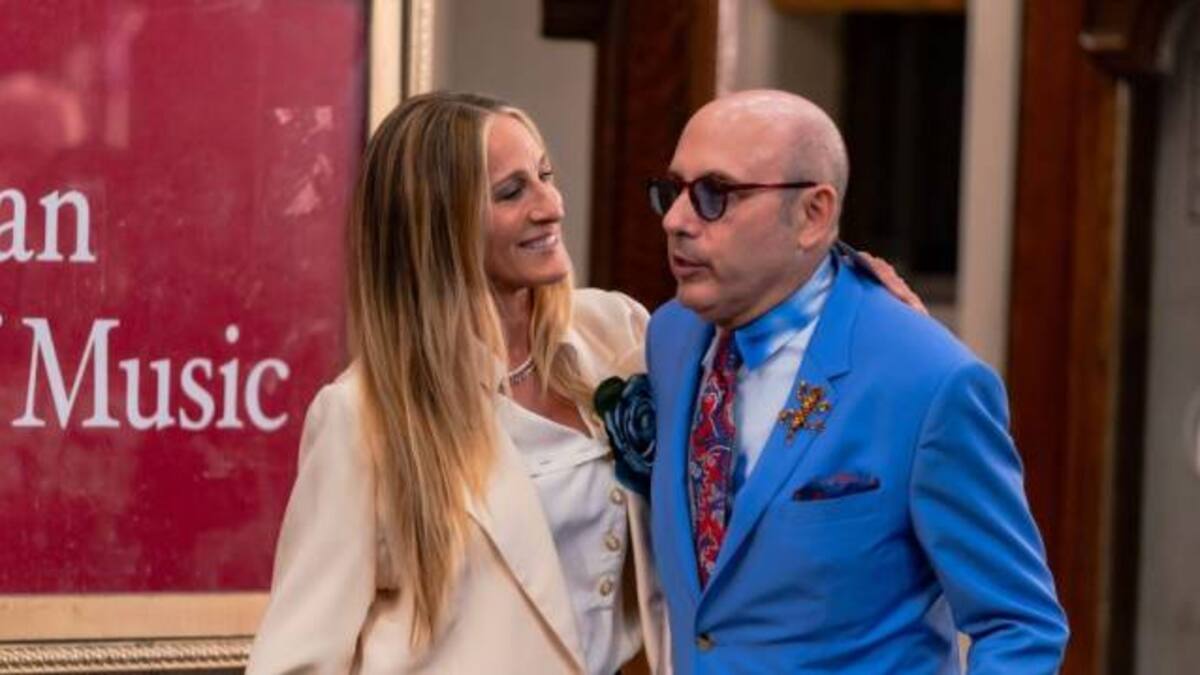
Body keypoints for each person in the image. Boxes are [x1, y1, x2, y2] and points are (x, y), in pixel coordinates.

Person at [643, 89, 1069, 673]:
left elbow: (1020, 625)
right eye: (673, 191)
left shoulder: (929, 380)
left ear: (813, 214)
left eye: (714, 195)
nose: (675, 220)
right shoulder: (670, 337)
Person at [246, 91, 666, 674]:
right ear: (438, 225)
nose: (550, 205)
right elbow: (298, 657)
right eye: (511, 192)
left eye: (545, 176)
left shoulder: (617, 332)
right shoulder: (360, 415)